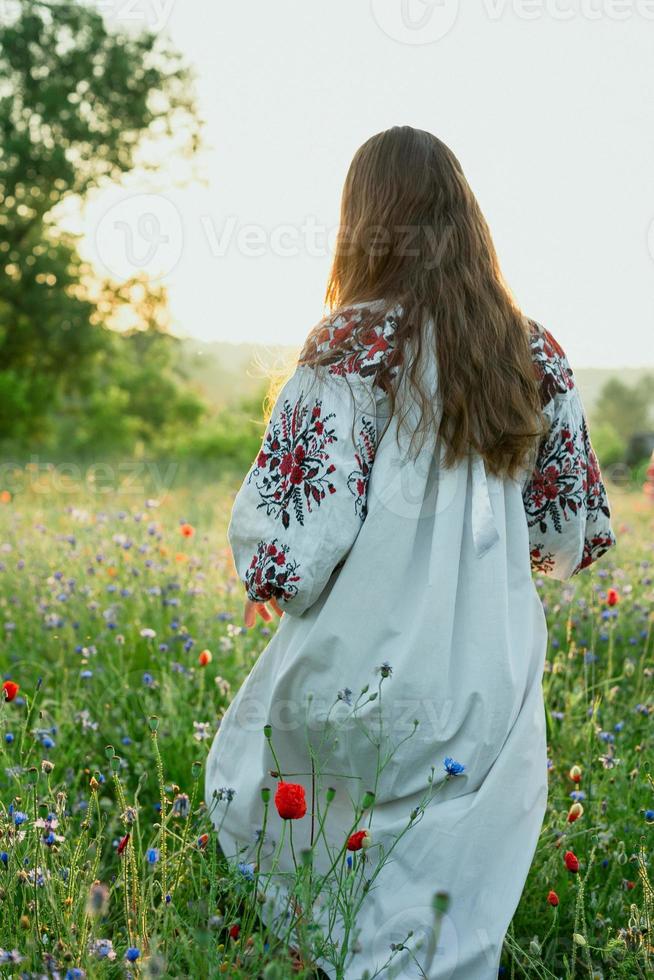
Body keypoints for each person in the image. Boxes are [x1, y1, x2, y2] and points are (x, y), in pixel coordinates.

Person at [205, 126, 616, 979]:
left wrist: (280, 573)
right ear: (467, 216)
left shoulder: (345, 345)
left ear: (364, 221)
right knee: (441, 919)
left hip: (358, 667)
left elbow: (290, 553)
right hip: (486, 683)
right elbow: (564, 531)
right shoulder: (536, 353)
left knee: (309, 845)